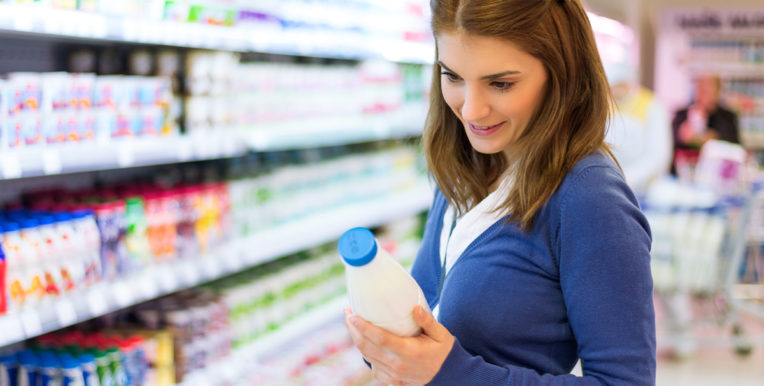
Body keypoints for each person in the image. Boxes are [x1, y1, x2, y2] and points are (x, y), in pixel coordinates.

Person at [344, 0, 656, 385]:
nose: (471, 111)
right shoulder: (463, 168)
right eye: (453, 76)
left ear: (562, 73)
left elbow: (625, 381)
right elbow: (426, 319)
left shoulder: (587, 196)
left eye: (501, 83)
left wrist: (453, 374)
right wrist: (388, 348)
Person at [605, 60, 673, 194]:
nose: (614, 92)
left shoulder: (651, 105)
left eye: (618, 86)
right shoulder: (606, 105)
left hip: (645, 189)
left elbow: (658, 155)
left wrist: (628, 178)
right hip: (612, 185)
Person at [671, 74, 740, 174]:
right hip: (684, 175)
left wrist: (700, 139)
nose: (704, 93)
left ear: (718, 92)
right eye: (701, 88)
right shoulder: (681, 115)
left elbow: (735, 147)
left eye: (708, 89)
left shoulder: (727, 117)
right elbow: (672, 142)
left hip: (717, 175)